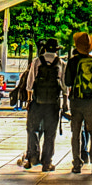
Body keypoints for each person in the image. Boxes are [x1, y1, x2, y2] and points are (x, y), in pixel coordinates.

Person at [65, 31, 92, 172]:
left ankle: (77, 163)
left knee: (76, 133)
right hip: (91, 102)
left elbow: (67, 81)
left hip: (76, 101)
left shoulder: (72, 61)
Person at [19, 40, 64, 170]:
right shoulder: (60, 63)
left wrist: (29, 101)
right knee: (50, 133)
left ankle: (33, 156)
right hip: (53, 104)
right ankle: (47, 162)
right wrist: (65, 102)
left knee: (32, 129)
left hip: (37, 102)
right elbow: (65, 86)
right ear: (56, 50)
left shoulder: (37, 61)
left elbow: (30, 82)